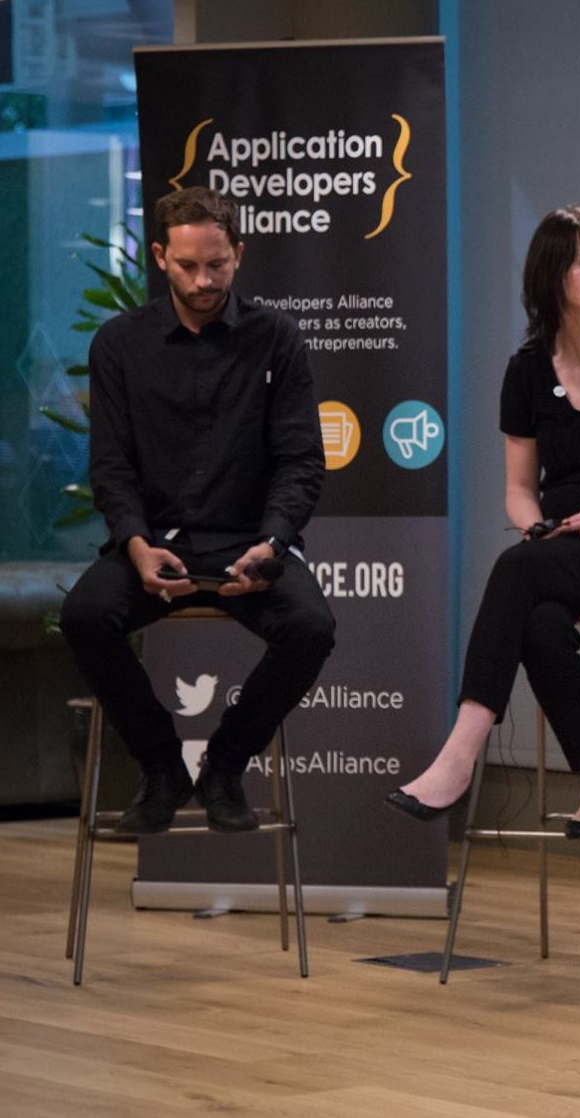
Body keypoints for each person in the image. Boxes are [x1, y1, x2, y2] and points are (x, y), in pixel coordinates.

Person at [386, 207, 580, 836]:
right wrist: (535, 527)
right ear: (550, 275)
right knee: (538, 622)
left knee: (516, 570)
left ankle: (459, 753)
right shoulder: (527, 369)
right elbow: (519, 489)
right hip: (561, 549)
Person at [60, 186, 335, 834]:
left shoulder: (276, 338)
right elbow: (112, 466)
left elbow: (301, 460)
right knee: (86, 615)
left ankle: (225, 764)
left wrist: (270, 544)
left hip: (248, 540)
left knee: (311, 627)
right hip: (155, 540)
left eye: (217, 264)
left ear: (238, 254)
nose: (204, 279)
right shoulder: (119, 345)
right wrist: (134, 543)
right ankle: (161, 768)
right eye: (188, 266)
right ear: (160, 256)